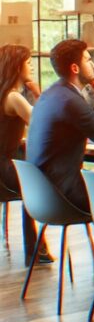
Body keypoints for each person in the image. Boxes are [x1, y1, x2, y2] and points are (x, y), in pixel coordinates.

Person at [27, 39, 94, 212]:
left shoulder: (53, 93)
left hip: (39, 193)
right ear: (75, 68)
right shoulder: (70, 101)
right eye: (88, 60)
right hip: (62, 195)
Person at [0, 45, 49, 266]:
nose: (31, 66)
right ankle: (35, 250)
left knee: (30, 176)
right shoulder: (14, 98)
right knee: (34, 182)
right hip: (4, 168)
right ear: (16, 66)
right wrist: (39, 95)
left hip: (4, 163)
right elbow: (41, 124)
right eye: (28, 62)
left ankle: (37, 249)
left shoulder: (6, 95)